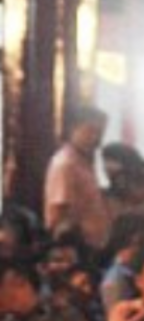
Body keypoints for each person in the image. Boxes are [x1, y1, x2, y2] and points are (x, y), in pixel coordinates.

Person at [43, 106, 110, 254]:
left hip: (94, 246)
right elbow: (59, 214)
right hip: (76, 247)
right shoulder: (65, 164)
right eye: (91, 131)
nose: (96, 138)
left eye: (100, 133)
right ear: (74, 128)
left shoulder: (84, 162)